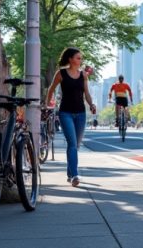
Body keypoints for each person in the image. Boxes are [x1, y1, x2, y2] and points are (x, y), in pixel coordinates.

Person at [45, 47, 97, 187]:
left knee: (76, 145)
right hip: (65, 113)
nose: (81, 60)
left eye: (81, 58)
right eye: (78, 58)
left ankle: (70, 174)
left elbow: (86, 93)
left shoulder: (83, 75)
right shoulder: (61, 73)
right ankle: (74, 175)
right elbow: (51, 89)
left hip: (81, 114)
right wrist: (47, 105)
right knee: (72, 144)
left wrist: (91, 104)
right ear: (70, 59)